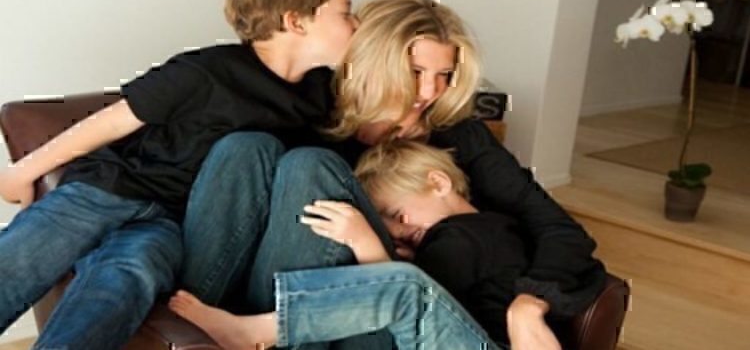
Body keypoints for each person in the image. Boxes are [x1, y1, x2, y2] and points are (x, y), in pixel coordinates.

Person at [178, 0, 605, 350]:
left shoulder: (460, 136)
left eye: (444, 75)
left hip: (380, 306)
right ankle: (189, 326)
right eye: (416, 72)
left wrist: (529, 304)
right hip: (298, 280)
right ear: (375, 59)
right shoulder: (312, 106)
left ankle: (260, 334)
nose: (430, 92)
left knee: (311, 164)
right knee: (248, 146)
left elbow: (559, 231)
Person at [0, 0, 357, 348]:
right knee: (22, 256)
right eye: (346, 13)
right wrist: (23, 170)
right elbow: (114, 120)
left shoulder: (320, 99)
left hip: (172, 225)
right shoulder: (207, 69)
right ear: (295, 21)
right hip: (107, 189)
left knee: (129, 274)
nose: (356, 25)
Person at [170, 140, 607, 350]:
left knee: (404, 288)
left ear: (438, 183)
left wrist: (367, 243)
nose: (398, 230)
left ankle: (260, 330)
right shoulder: (497, 230)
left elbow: (411, 302)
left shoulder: (458, 238)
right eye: (389, 228)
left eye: (398, 215)